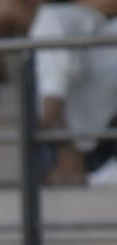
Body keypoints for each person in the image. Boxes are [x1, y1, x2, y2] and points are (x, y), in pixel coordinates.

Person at [31, 0, 117, 185]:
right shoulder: (63, 18)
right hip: (92, 29)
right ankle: (55, 127)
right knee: (51, 18)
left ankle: (59, 144)